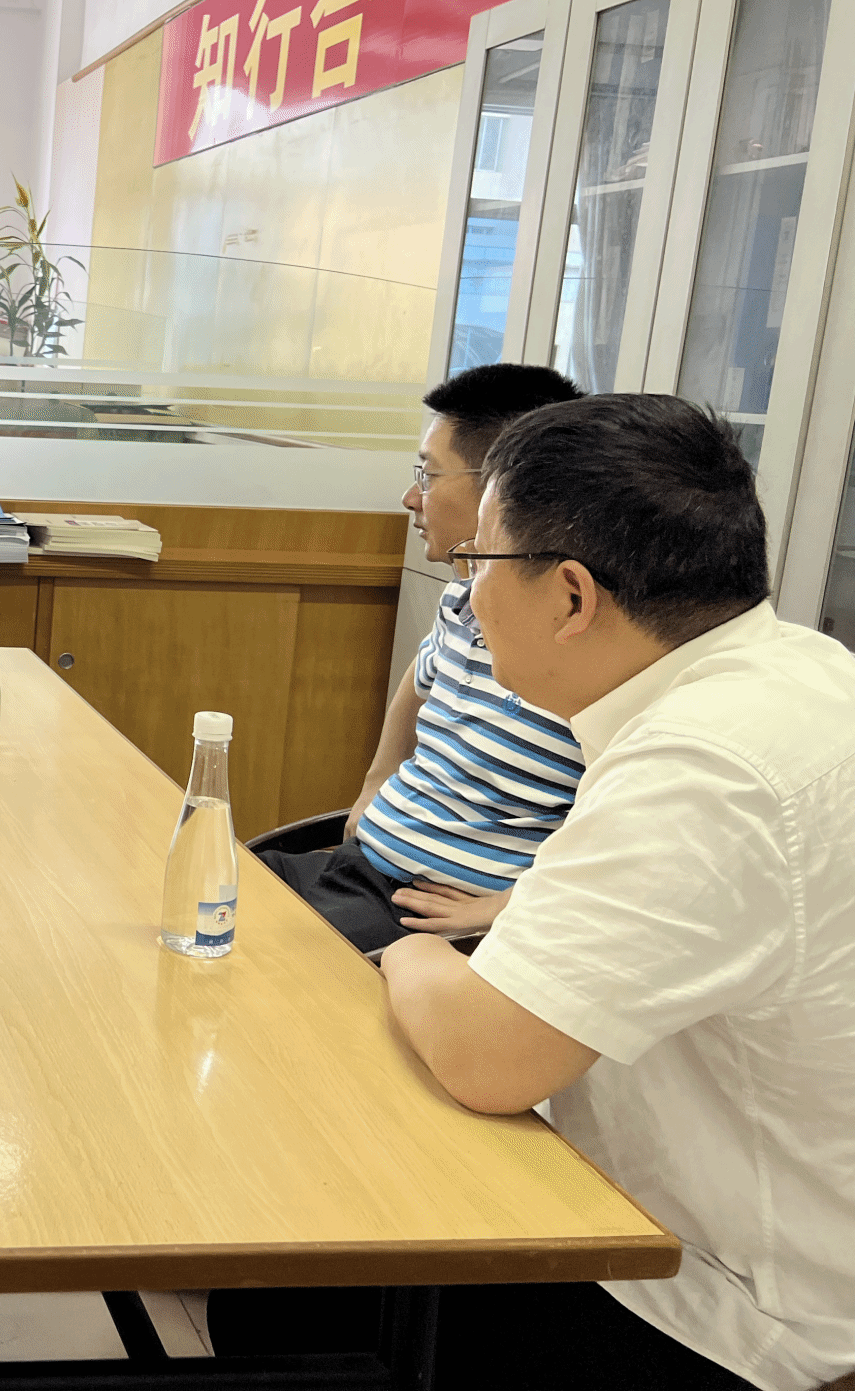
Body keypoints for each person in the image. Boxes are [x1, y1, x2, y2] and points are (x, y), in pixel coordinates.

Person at [218, 395, 855, 1390]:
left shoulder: (700, 770)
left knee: (285, 1279)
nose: (465, 592)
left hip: (722, 1303)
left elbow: (487, 1058)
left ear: (569, 596)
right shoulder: (797, 673)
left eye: (478, 561)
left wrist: (408, 950)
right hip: (717, 1216)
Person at [257, 364, 586, 951]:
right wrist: (376, 780)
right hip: (361, 866)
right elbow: (421, 675)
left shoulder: (591, 655)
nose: (412, 498)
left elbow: (628, 835)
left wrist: (507, 906)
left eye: (429, 476)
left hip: (420, 912)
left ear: (501, 491)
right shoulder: (464, 597)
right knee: (192, 882)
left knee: (230, 948)